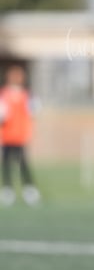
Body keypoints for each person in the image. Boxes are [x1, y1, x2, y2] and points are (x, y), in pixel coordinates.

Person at [0, 64, 41, 206]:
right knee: (6, 164)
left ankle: (29, 190)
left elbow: (33, 111)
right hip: (6, 137)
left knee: (23, 164)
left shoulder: (26, 95)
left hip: (20, 136)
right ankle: (7, 190)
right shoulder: (3, 94)